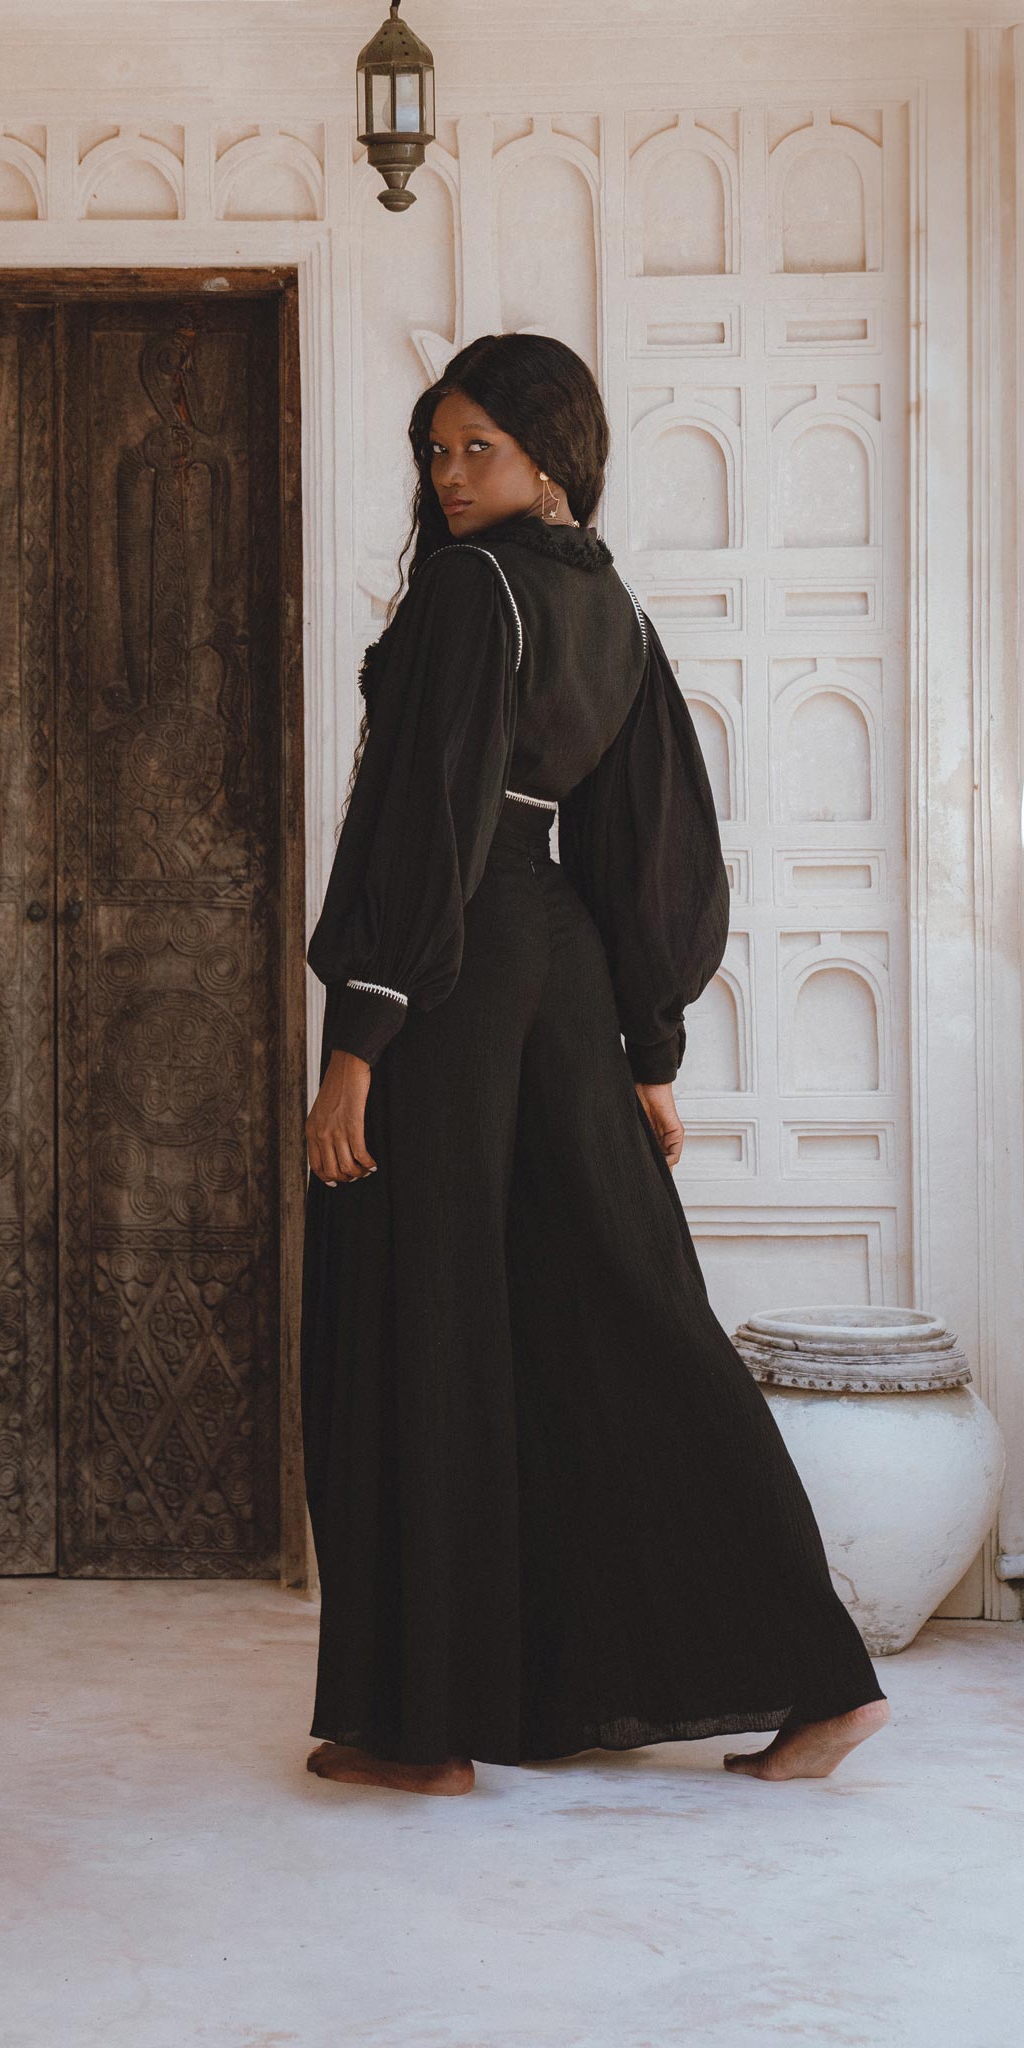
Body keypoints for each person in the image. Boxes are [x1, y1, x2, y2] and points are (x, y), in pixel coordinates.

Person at [299, 332, 889, 1797]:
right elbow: (648, 839)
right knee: (621, 1309)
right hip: (554, 966)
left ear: (550, 456)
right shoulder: (603, 599)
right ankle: (818, 1685)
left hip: (450, 971)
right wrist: (645, 1043)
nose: (447, 475)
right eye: (435, 448)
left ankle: (424, 1733)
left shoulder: (466, 589)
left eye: (476, 448)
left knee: (420, 1312)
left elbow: (421, 824)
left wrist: (357, 1044)